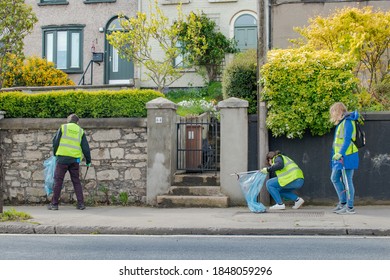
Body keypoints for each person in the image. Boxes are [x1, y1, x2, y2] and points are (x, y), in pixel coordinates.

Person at [47, 114, 91, 210]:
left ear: (68, 120)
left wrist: (55, 154)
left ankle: (54, 204)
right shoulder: (80, 131)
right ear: (77, 122)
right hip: (74, 160)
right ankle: (81, 204)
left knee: (58, 181)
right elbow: (86, 148)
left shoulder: (63, 128)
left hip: (62, 159)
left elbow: (55, 142)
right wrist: (88, 161)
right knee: (76, 181)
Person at [329, 102, 359, 214]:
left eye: (333, 112)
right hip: (340, 157)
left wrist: (340, 153)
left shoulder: (348, 122)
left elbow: (347, 140)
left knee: (347, 181)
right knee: (335, 178)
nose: (332, 115)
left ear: (338, 111)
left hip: (347, 156)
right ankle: (343, 203)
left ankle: (350, 207)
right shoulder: (342, 122)